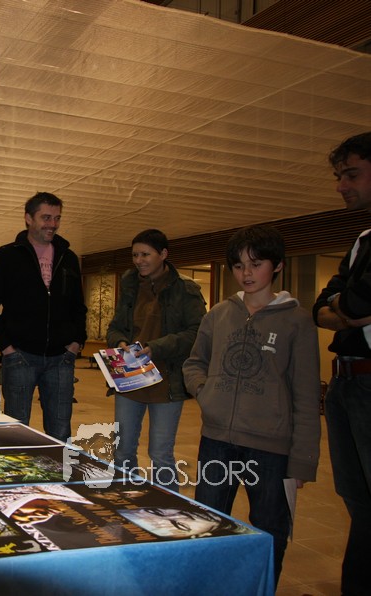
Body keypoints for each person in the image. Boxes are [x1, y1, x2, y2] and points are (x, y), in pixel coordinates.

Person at [183, 224, 320, 586]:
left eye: (256, 264)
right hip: (217, 440)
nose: (246, 273)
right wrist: (207, 392)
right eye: (238, 265)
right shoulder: (218, 314)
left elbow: (306, 395)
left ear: (277, 266)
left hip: (270, 447)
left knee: (269, 529)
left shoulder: (297, 320)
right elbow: (194, 362)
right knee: (208, 524)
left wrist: (303, 460)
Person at [0, 192, 87, 440]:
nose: (53, 224)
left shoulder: (68, 258)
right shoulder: (6, 256)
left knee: (60, 432)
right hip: (20, 357)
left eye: (57, 218)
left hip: (61, 359)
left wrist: (75, 343)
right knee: (16, 431)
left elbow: (78, 306)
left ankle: (57, 467)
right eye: (46, 217)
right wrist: (6, 347)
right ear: (28, 218)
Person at [313, 131, 371, 595]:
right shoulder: (362, 240)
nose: (341, 185)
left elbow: (353, 302)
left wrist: (345, 307)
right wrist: (345, 307)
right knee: (357, 500)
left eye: (351, 174)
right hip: (346, 384)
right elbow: (324, 307)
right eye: (339, 176)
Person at [105, 229, 206, 491]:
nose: (139, 260)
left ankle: (168, 507)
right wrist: (119, 342)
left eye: (145, 254)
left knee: (160, 454)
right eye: (135, 255)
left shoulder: (185, 289)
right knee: (123, 450)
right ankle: (126, 498)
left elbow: (197, 333)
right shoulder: (130, 285)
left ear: (163, 254)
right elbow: (115, 327)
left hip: (167, 381)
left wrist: (156, 348)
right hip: (129, 376)